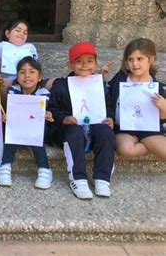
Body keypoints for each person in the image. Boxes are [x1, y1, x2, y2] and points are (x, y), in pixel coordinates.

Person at [48, 42, 116, 199]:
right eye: (79, 61)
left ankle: (102, 178)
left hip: (94, 128)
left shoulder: (99, 85)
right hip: (68, 130)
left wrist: (110, 118)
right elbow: (51, 108)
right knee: (74, 131)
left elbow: (108, 106)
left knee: (106, 132)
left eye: (90, 61)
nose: (85, 65)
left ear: (95, 64)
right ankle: (78, 178)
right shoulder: (62, 85)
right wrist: (64, 118)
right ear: (69, 64)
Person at [0, 56, 54, 189]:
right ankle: (5, 165)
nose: (27, 76)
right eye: (22, 72)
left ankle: (44, 168)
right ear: (17, 77)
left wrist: (47, 114)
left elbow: (38, 114)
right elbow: (14, 111)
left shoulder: (44, 92)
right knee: (11, 124)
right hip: (17, 127)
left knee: (36, 127)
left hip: (35, 129)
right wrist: (7, 116)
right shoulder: (14, 90)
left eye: (32, 72)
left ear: (40, 77)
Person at [108, 38, 166, 160]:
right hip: (124, 129)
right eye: (130, 59)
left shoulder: (157, 87)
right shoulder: (120, 79)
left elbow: (161, 118)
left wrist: (164, 107)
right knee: (127, 149)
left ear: (151, 59)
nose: (134, 64)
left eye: (140, 59)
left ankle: (148, 143)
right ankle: (149, 145)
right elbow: (107, 97)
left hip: (149, 130)